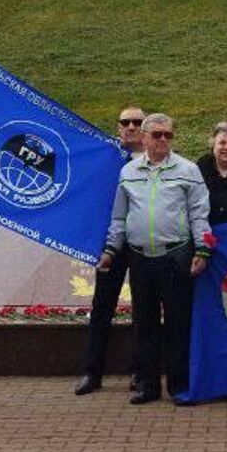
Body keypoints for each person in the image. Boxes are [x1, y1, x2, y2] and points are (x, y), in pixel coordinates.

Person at [99, 113, 211, 405]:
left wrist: (202, 249)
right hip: (139, 258)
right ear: (145, 138)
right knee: (144, 324)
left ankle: (179, 386)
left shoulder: (188, 170)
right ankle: (147, 385)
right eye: (157, 134)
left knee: (178, 323)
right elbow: (119, 216)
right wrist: (111, 249)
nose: (163, 140)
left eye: (168, 135)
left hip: (175, 256)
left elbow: (199, 214)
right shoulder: (129, 171)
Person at [74, 106, 145, 396]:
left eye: (136, 122)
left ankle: (139, 372)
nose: (130, 126)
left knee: (144, 311)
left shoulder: (153, 160)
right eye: (125, 122)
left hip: (143, 243)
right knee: (101, 308)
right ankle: (92, 372)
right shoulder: (104, 158)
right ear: (118, 128)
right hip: (109, 245)